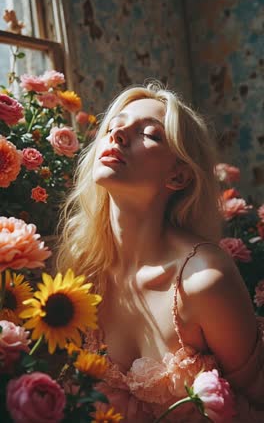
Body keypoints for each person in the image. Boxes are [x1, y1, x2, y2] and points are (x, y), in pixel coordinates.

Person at [57, 82, 264, 422]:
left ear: (179, 176)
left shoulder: (203, 280)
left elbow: (259, 399)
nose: (118, 133)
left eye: (150, 135)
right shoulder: (80, 265)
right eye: (113, 126)